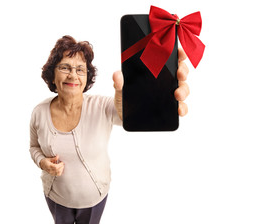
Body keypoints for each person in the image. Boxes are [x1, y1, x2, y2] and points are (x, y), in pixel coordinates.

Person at [29, 35, 190, 224]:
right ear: (52, 74)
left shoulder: (101, 106)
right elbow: (33, 148)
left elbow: (129, 115)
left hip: (95, 199)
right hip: (55, 198)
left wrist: (157, 92)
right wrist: (42, 163)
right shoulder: (39, 112)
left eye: (80, 69)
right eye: (65, 67)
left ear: (87, 77)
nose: (73, 75)